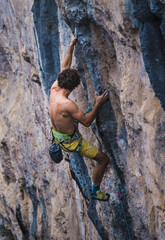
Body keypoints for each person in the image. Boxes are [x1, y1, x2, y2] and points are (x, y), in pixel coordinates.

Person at [49, 37, 111, 201]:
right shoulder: (68, 104)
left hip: (58, 135)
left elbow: (65, 66)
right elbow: (86, 121)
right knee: (104, 159)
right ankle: (95, 191)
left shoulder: (55, 87)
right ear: (72, 88)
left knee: (72, 119)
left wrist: (71, 45)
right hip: (72, 142)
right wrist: (98, 103)